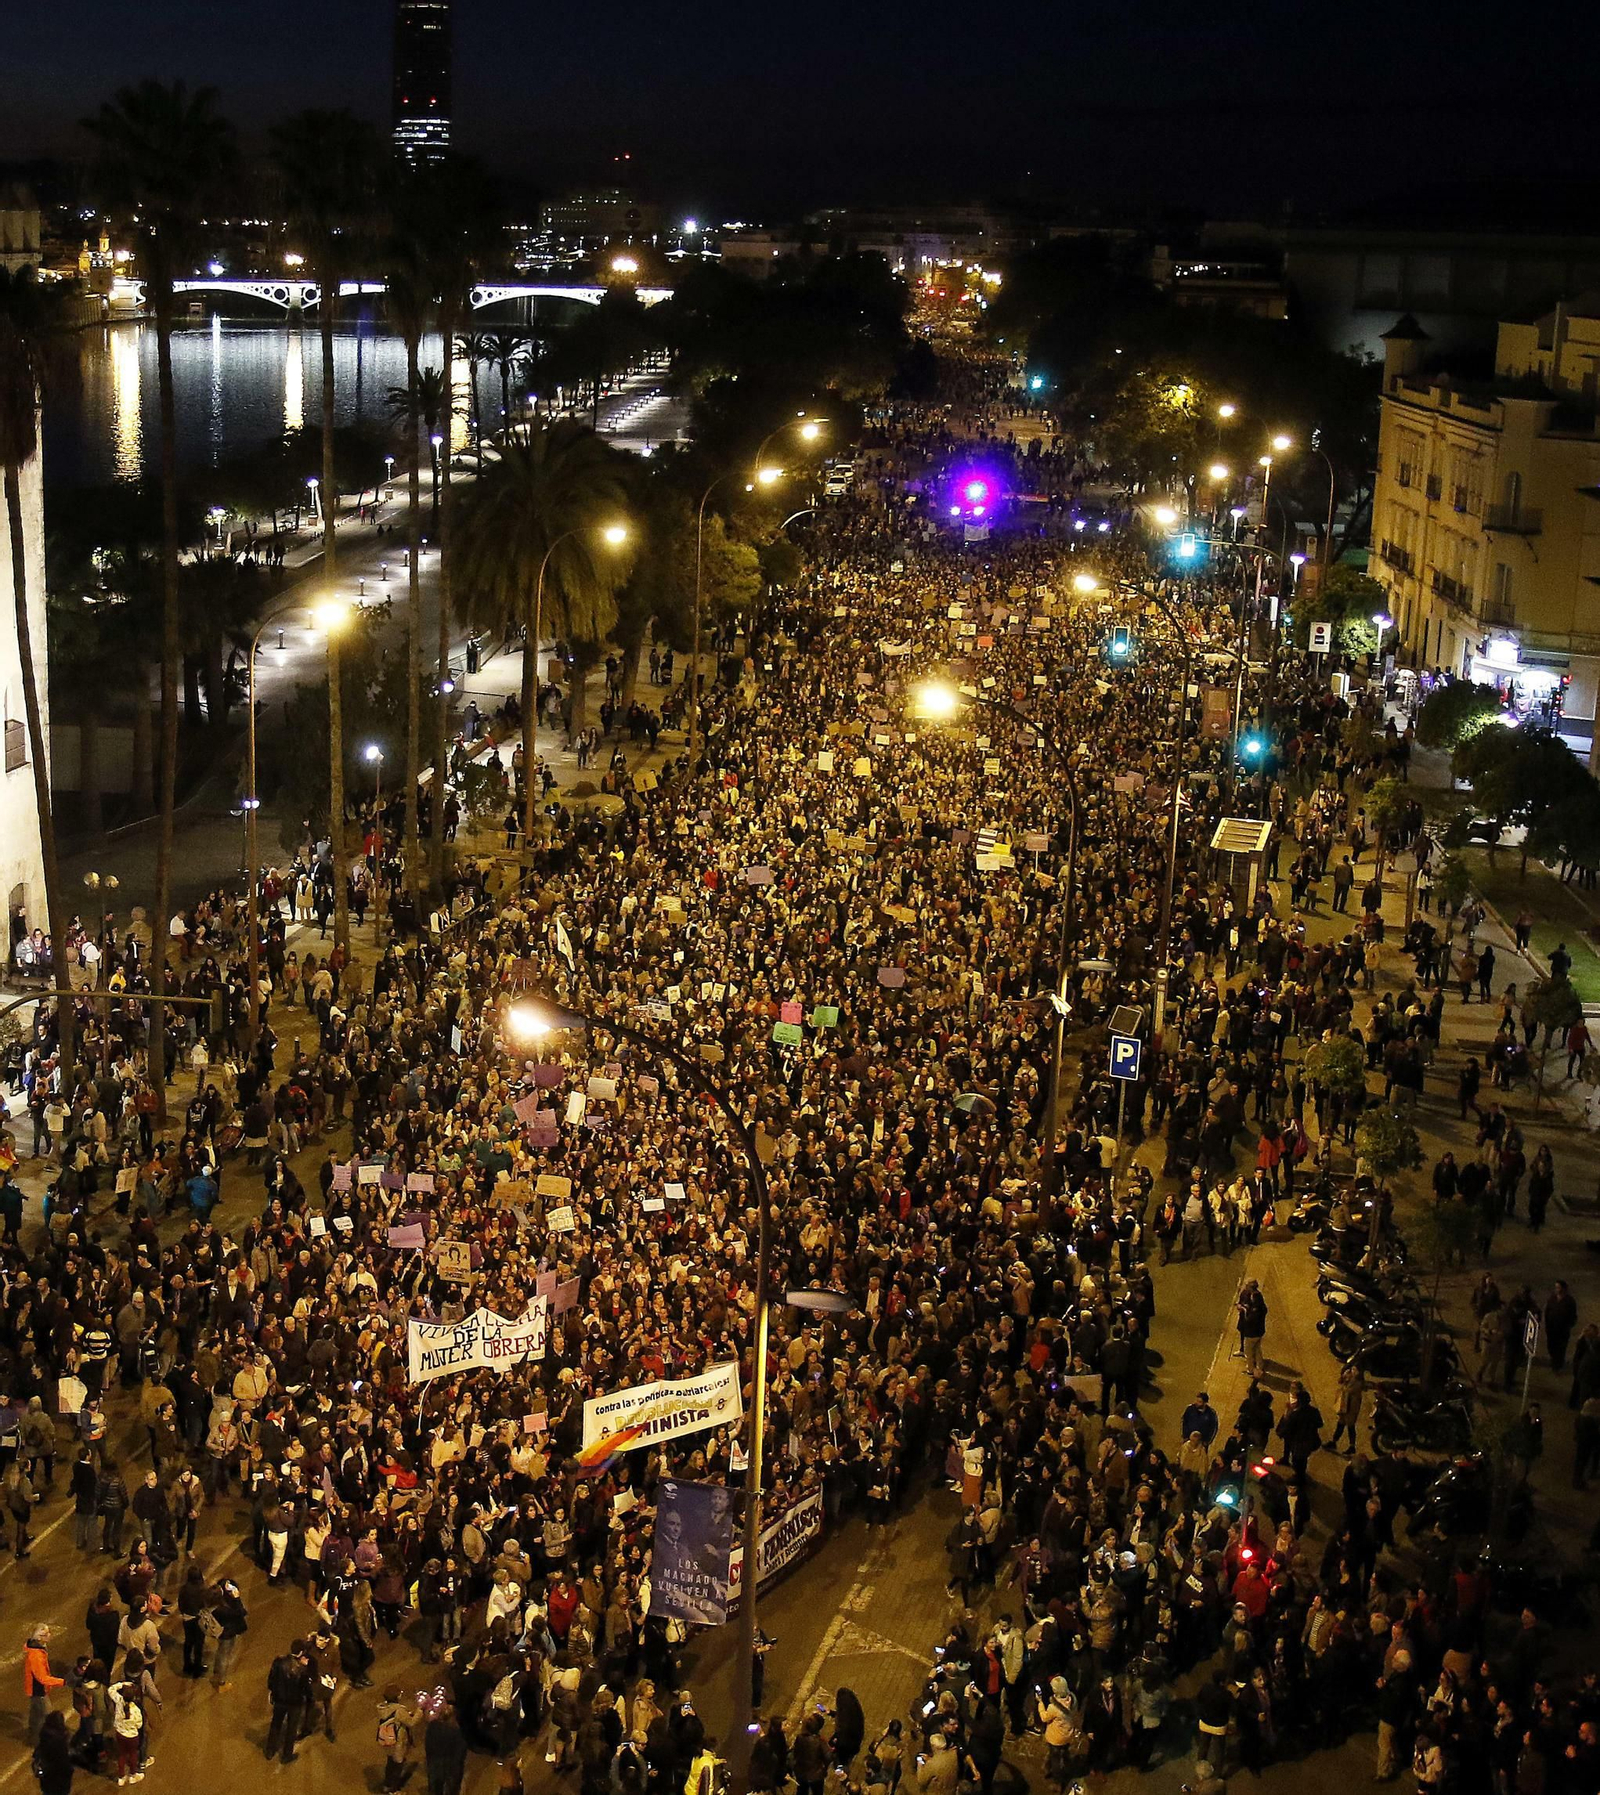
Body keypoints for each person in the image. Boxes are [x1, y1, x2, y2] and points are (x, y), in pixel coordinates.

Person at [264, 1640, 309, 1765]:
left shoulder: (278, 1662)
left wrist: (273, 1692)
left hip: (279, 1700)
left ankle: (270, 1750)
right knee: (291, 1728)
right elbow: (305, 1688)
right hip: (295, 1703)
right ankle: (286, 1755)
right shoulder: (301, 1669)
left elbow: (271, 1680)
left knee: (276, 1724)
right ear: (301, 1652)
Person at [24, 1626, 63, 1746]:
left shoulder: (38, 1649)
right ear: (41, 1638)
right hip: (39, 1690)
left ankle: (34, 1737)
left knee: (36, 1714)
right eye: (47, 1634)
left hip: (35, 1689)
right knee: (48, 1717)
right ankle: (41, 1742)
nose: (50, 1635)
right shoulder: (36, 1655)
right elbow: (42, 1678)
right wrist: (62, 1682)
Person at [424, 1701, 469, 1795]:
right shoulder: (457, 1731)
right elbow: (460, 1751)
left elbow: (428, 1743)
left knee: (436, 1786)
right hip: (451, 1764)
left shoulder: (432, 1726)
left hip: (435, 1761)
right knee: (452, 1788)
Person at [32, 1708, 74, 1795]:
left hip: (47, 1783)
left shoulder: (44, 1736)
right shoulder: (61, 1741)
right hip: (60, 1784)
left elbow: (37, 1756)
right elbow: (66, 1765)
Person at [1236, 1280, 1268, 1376]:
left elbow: (1250, 1318)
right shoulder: (1257, 1297)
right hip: (1259, 1330)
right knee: (1257, 1349)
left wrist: (1244, 1309)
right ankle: (1260, 1367)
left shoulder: (1256, 1299)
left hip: (1252, 1332)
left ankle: (1250, 1370)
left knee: (1248, 1352)